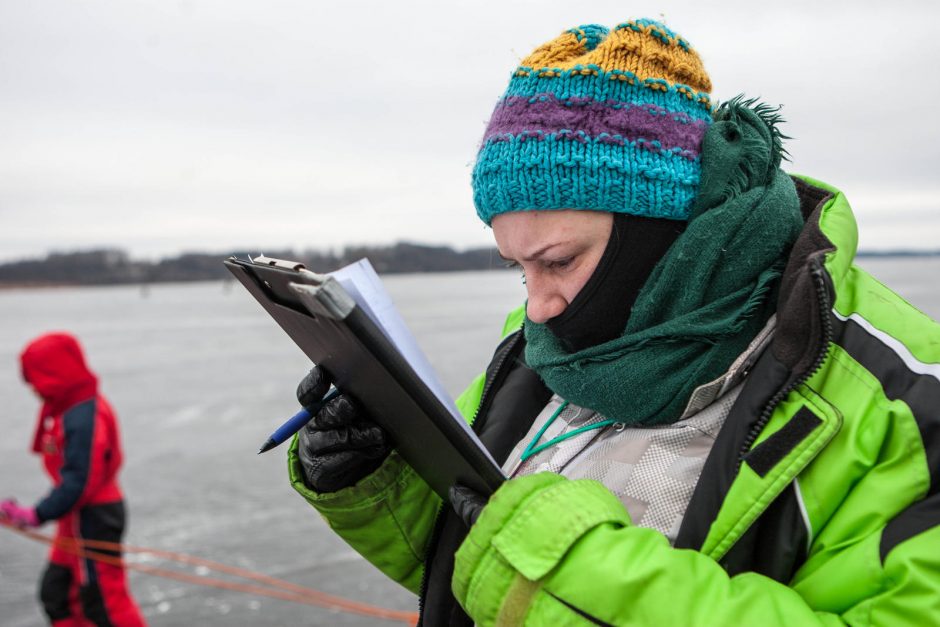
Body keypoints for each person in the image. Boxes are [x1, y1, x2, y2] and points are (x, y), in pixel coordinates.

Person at [286, 19, 940, 625]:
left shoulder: (904, 399)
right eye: (519, 268)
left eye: (559, 261)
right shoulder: (544, 346)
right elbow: (478, 554)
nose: (537, 305)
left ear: (660, 225)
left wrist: (579, 578)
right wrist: (374, 470)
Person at [2, 332, 146, 627]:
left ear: (54, 375)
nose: (34, 391)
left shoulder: (83, 416)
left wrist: (37, 514)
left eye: (37, 381)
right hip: (77, 516)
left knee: (103, 603)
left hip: (95, 516)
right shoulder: (68, 407)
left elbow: (80, 480)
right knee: (56, 595)